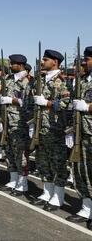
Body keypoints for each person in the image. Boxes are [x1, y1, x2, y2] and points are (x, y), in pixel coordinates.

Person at [30, 49, 70, 211]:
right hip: (41, 127)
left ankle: (58, 196)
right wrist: (32, 123)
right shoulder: (40, 79)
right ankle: (47, 192)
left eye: (45, 59)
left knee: (58, 163)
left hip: (56, 128)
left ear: (55, 62)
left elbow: (66, 104)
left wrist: (45, 103)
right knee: (42, 161)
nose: (42, 62)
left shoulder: (63, 80)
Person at [0, 54, 31, 195]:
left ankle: (23, 183)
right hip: (6, 120)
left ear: (20, 64)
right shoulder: (8, 79)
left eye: (12, 64)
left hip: (19, 122)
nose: (10, 66)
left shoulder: (28, 81)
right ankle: (13, 179)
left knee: (20, 153)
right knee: (8, 151)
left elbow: (28, 103)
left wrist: (11, 100)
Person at [66, 46, 92, 227]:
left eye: (88, 59)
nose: (84, 62)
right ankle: (87, 207)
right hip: (81, 132)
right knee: (81, 172)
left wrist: (88, 107)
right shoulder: (83, 80)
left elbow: (84, 106)